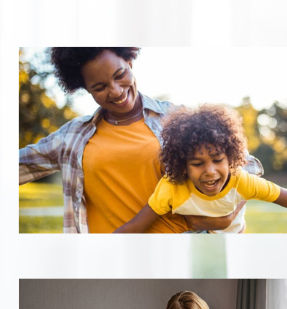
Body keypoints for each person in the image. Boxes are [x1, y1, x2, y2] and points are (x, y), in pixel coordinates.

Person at [18, 47, 262, 233]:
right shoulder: (72, 136)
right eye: (100, 86)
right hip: (105, 258)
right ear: (85, 89)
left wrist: (229, 211)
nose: (115, 91)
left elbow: (248, 165)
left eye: (120, 74)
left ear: (130, 61)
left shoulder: (175, 118)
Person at [114, 104, 287, 233]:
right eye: (197, 163)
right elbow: (135, 226)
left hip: (234, 236)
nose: (210, 171)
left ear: (230, 158)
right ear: (183, 166)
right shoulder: (171, 188)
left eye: (217, 160)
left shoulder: (242, 180)